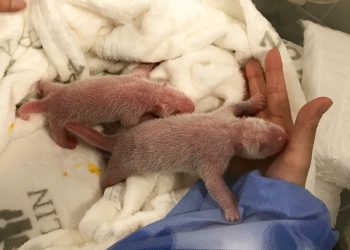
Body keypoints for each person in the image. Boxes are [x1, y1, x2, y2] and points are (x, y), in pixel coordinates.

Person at [109, 48, 338, 249]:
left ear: (247, 120)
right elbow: (213, 182)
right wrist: (229, 205)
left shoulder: (224, 119)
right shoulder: (214, 154)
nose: (282, 138)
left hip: (140, 136)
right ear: (242, 144)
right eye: (260, 144)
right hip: (136, 150)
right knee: (118, 165)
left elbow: (232, 108)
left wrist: (249, 104)